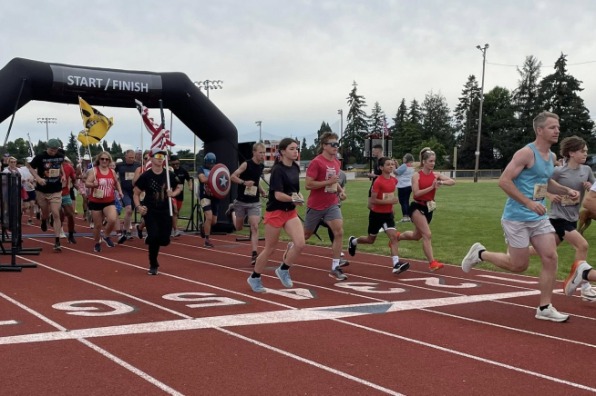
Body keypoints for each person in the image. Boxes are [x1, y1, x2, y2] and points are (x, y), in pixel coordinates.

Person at [462, 111, 577, 322]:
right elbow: (504, 181)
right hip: (517, 217)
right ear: (539, 130)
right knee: (519, 265)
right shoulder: (525, 153)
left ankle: (545, 307)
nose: (557, 131)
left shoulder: (551, 157)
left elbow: (544, 181)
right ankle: (480, 254)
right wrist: (529, 203)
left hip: (538, 217)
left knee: (550, 257)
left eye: (558, 127)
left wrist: (565, 190)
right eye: (552, 127)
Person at [527, 136, 596, 302]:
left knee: (541, 250)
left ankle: (515, 253)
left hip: (572, 217)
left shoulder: (586, 170)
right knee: (582, 245)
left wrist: (587, 186)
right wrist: (551, 195)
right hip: (557, 217)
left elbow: (593, 190)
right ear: (571, 153)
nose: (586, 154)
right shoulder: (558, 172)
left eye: (586, 151)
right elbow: (537, 189)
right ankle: (584, 285)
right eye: (582, 151)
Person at [247, 138, 305, 293]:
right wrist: (293, 198)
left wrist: (298, 197)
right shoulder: (278, 170)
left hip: (290, 212)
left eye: (296, 149)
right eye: (292, 149)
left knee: (300, 243)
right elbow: (278, 195)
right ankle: (255, 277)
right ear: (283, 151)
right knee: (270, 249)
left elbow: (294, 190)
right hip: (275, 212)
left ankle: (283, 269)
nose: (295, 151)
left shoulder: (295, 167)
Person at [348, 157, 410, 274]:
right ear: (381, 167)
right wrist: (390, 202)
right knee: (370, 240)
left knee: (394, 237)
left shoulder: (394, 180)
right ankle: (353, 241)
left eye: (392, 164)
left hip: (388, 215)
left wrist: (392, 208)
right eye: (388, 165)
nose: (391, 166)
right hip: (376, 215)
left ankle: (396, 264)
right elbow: (373, 201)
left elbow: (390, 196)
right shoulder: (378, 182)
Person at [398, 147, 455, 271]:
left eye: (434, 161)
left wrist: (442, 183)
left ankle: (397, 237)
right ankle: (432, 263)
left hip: (429, 208)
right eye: (430, 161)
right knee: (427, 234)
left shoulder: (436, 175)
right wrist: (432, 187)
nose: (433, 163)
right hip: (417, 206)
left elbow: (452, 181)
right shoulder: (416, 176)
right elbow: (416, 193)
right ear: (424, 162)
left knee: (416, 235)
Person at [303, 132, 348, 280]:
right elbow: (308, 185)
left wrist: (340, 191)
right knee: (305, 236)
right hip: (316, 205)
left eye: (337, 144)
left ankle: (335, 267)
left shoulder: (336, 162)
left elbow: (334, 180)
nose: (336, 147)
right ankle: (292, 246)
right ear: (324, 145)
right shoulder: (316, 162)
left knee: (339, 232)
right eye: (332, 144)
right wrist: (327, 183)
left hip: (332, 203)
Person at [133, 147, 182, 275]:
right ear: (151, 158)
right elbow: (136, 193)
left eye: (162, 157)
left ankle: (152, 239)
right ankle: (153, 264)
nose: (160, 159)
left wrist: (173, 193)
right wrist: (139, 207)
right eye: (158, 156)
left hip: (165, 210)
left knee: (165, 240)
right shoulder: (146, 176)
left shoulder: (169, 174)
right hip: (151, 211)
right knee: (154, 237)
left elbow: (179, 186)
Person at [229, 142, 266, 265]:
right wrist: (244, 182)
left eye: (264, 153)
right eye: (260, 152)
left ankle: (254, 254)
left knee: (254, 226)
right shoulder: (246, 164)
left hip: (254, 202)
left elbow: (256, 180)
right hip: (241, 201)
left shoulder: (261, 166)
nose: (262, 155)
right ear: (254, 152)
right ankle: (233, 212)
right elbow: (232, 176)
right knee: (238, 227)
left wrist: (260, 189)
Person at [27, 138, 65, 252]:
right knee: (45, 212)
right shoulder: (40, 157)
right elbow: (29, 167)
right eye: (51, 149)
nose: (53, 151)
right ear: (47, 148)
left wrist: (63, 175)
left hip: (56, 190)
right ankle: (44, 220)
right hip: (42, 190)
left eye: (55, 149)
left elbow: (60, 164)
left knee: (56, 213)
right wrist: (37, 178)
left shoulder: (60, 155)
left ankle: (57, 241)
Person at [85, 151, 124, 252]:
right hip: (96, 201)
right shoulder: (94, 171)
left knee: (112, 219)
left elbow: (116, 182)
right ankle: (97, 242)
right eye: (102, 159)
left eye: (106, 159)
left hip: (109, 200)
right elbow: (87, 183)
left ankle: (106, 236)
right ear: (99, 160)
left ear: (109, 161)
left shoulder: (112, 172)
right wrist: (93, 184)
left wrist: (120, 191)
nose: (104, 161)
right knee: (98, 225)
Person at [115, 149, 141, 241]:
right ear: (125, 157)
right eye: (129, 157)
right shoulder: (119, 165)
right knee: (129, 209)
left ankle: (126, 228)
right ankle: (126, 231)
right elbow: (111, 172)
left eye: (133, 157)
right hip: (124, 191)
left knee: (131, 211)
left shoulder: (138, 165)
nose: (131, 159)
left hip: (135, 192)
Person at [197, 152, 219, 248]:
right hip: (204, 196)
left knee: (213, 221)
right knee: (209, 217)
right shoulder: (201, 169)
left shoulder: (217, 170)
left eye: (212, 163)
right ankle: (206, 239)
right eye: (209, 163)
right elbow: (202, 179)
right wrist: (213, 179)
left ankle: (203, 226)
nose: (210, 165)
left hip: (215, 196)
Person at [169, 155, 192, 237]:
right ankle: (174, 230)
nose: (175, 165)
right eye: (173, 164)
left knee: (176, 212)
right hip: (171, 194)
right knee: (174, 211)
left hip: (180, 195)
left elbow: (188, 179)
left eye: (177, 163)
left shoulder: (183, 170)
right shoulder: (169, 171)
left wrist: (190, 186)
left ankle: (172, 228)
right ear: (171, 163)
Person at [60, 157, 77, 244]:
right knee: (59, 214)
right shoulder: (51, 166)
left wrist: (75, 183)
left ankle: (70, 235)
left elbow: (74, 178)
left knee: (70, 214)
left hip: (66, 194)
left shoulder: (69, 167)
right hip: (54, 194)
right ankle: (60, 230)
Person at [396, 153, 415, 222]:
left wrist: (392, 167)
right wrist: (397, 165)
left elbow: (397, 172)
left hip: (402, 185)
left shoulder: (404, 165)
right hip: (409, 185)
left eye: (404, 157)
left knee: (402, 201)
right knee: (406, 201)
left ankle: (405, 216)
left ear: (407, 159)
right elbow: (401, 171)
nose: (403, 158)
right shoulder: (411, 166)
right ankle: (408, 216)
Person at [19, 157, 37, 225]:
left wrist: (34, 180)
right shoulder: (21, 169)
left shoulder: (34, 169)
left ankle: (30, 219)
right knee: (26, 206)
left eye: (30, 162)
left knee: (32, 205)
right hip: (24, 189)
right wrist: (23, 180)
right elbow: (19, 177)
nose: (29, 163)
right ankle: (20, 212)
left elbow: (37, 178)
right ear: (26, 162)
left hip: (31, 190)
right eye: (28, 162)